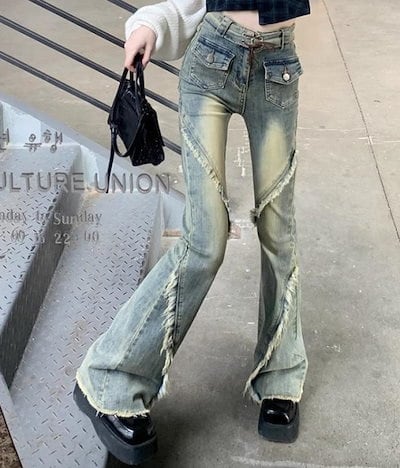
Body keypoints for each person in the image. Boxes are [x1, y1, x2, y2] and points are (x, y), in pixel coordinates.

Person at [73, 1, 311, 465]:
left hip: (277, 66)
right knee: (205, 239)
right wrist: (152, 23)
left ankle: (281, 375)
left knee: (278, 230)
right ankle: (110, 377)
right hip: (213, 57)